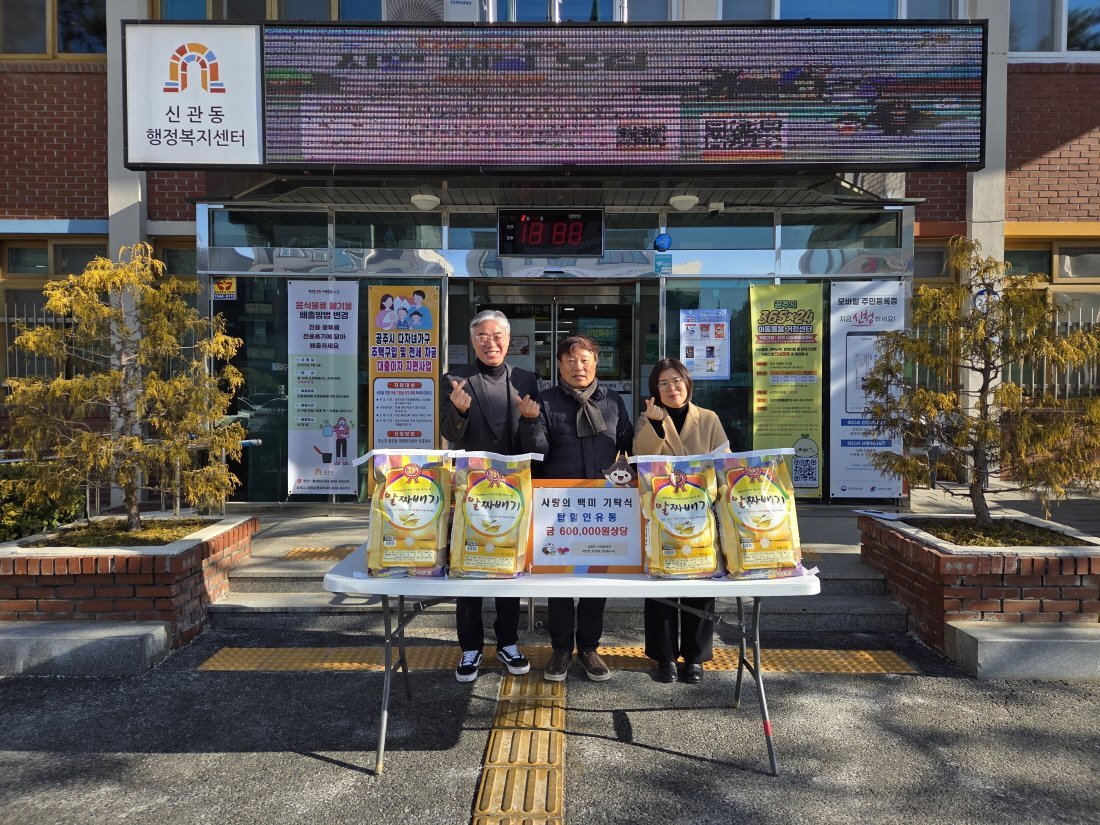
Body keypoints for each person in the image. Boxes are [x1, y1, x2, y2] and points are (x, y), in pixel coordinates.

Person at [518, 335, 633, 682]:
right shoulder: (546, 401)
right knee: (559, 580)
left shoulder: (612, 401)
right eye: (570, 360)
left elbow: (626, 446)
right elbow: (537, 454)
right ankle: (560, 648)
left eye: (584, 360)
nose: (577, 366)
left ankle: (589, 647)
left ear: (596, 362)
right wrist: (529, 422)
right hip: (558, 508)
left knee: (598, 579)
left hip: (601, 505)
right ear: (559, 365)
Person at [441, 309, 540, 683]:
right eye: (482, 336)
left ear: (508, 339)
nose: (490, 342)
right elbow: (450, 434)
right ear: (473, 341)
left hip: (511, 492)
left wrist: (530, 420)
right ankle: (470, 647)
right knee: (467, 568)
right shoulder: (456, 380)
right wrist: (459, 411)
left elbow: (534, 432)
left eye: (497, 335)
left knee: (506, 568)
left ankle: (507, 642)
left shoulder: (526, 379)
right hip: (471, 492)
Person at [633, 358, 728, 685]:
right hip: (662, 514)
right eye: (663, 383)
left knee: (700, 581)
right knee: (661, 583)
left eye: (676, 381)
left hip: (700, 513)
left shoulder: (709, 418)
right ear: (655, 390)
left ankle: (695, 657)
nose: (671, 388)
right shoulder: (647, 417)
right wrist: (655, 424)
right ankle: (665, 657)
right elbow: (640, 458)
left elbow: (724, 462)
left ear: (687, 383)